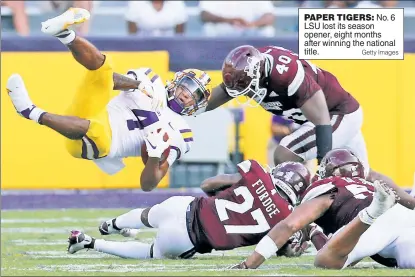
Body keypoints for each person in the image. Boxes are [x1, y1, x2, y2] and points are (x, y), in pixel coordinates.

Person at [5, 8, 211, 191]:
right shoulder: (152, 80)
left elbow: (148, 185)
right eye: (187, 86)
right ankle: (64, 33)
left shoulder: (182, 134)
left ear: (198, 105)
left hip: (101, 144)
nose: (187, 94)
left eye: (195, 95)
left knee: (97, 130)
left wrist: (155, 155)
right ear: (176, 81)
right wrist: (137, 85)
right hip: (93, 111)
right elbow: (108, 80)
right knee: (105, 66)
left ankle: (30, 111)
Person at [198, 44, 402, 198]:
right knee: (365, 175)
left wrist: (325, 169)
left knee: (285, 152)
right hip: (325, 118)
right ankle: (411, 203)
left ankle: (295, 206)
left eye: (247, 86)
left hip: (337, 114)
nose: (246, 93)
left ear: (259, 74)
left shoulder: (286, 73)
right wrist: (187, 109)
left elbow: (322, 120)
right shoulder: (248, 69)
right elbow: (224, 92)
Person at [67, 160, 314, 259]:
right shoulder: (288, 217)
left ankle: (111, 225)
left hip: (185, 207)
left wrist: (227, 193)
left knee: (148, 215)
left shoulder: (257, 172)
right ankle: (89, 243)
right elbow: (282, 251)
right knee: (153, 253)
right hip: (188, 240)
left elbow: (209, 185)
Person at [231, 148, 415, 270]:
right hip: (402, 217)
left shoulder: (328, 187)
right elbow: (343, 247)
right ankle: (373, 211)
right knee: (407, 261)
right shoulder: (365, 184)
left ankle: (372, 212)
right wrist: (312, 231)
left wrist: (249, 264)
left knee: (324, 261)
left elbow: (289, 225)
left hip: (376, 219)